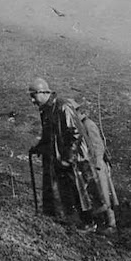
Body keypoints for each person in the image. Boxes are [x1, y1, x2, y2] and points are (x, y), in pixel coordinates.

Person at [27, 77, 107, 234]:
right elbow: (49, 135)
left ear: (44, 92)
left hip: (76, 158)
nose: (32, 101)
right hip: (63, 158)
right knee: (67, 191)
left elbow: (75, 134)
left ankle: (91, 224)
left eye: (33, 95)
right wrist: (38, 148)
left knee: (81, 192)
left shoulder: (63, 107)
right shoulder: (47, 110)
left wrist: (68, 159)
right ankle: (74, 220)